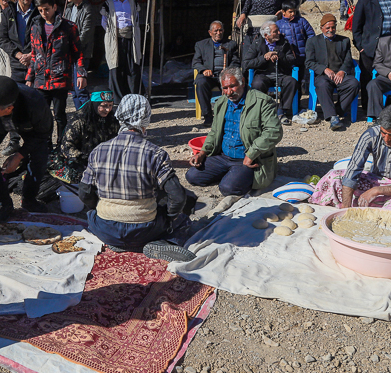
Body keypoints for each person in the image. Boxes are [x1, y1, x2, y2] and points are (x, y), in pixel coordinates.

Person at [79, 94, 196, 262]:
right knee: (183, 219)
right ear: (145, 118)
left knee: (92, 214)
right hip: (144, 231)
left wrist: (99, 207)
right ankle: (165, 241)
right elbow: (178, 196)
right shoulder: (156, 153)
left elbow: (84, 192)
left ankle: (118, 243)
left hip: (105, 229)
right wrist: (169, 219)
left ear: (120, 115)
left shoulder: (98, 151)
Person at [309, 103, 391, 217]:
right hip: (375, 180)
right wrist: (346, 209)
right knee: (334, 176)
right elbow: (353, 170)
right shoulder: (370, 135)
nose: (386, 139)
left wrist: (377, 191)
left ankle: (386, 215)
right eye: (383, 133)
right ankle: (360, 207)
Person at [0, 76, 53, 223]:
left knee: (40, 154)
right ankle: (5, 204)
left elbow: (43, 134)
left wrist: (19, 155)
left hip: (27, 125)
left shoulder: (35, 103)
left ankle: (29, 200)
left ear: (9, 109)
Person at [186, 67, 283, 196]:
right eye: (225, 88)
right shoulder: (222, 103)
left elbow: (274, 131)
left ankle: (235, 176)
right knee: (192, 176)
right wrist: (202, 153)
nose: (229, 92)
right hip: (224, 156)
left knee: (227, 188)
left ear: (242, 82)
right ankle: (232, 175)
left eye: (232, 86)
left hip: (246, 158)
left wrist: (251, 154)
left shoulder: (262, 102)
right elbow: (214, 132)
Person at [26, 0, 86, 147]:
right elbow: (34, 55)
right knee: (43, 116)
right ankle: (45, 146)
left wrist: (81, 74)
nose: (44, 13)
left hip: (60, 78)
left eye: (46, 9)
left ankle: (62, 145)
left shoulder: (68, 27)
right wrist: (29, 78)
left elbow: (78, 53)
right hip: (40, 80)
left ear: (54, 7)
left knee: (59, 114)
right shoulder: (35, 27)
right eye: (40, 10)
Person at [351, 0, 391, 110]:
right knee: (367, 76)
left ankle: (387, 106)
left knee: (388, 74)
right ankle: (368, 107)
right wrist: (360, 46)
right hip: (370, 46)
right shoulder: (364, 0)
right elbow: (356, 27)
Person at [47, 86, 119, 184]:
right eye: (104, 105)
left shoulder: (111, 120)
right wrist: (87, 159)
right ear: (95, 104)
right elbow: (67, 147)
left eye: (110, 105)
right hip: (79, 161)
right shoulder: (79, 120)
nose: (108, 109)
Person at [305, 13, 361, 130]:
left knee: (354, 83)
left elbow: (348, 60)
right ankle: (333, 117)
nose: (331, 30)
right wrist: (324, 69)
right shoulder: (313, 41)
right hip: (323, 75)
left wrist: (342, 71)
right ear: (321, 28)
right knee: (322, 84)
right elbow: (309, 62)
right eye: (328, 28)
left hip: (340, 75)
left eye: (333, 27)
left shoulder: (344, 41)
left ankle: (337, 110)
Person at [242, 20, 298, 125]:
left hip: (281, 74)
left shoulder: (284, 42)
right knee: (257, 84)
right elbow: (247, 63)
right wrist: (263, 58)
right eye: (275, 31)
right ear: (266, 35)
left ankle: (281, 111)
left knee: (291, 82)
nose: (279, 33)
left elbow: (292, 60)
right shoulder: (257, 43)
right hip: (263, 74)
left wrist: (279, 55)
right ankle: (262, 111)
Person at [192, 20, 240, 126]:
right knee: (201, 83)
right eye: (216, 31)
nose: (218, 33)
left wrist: (228, 70)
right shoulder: (201, 45)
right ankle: (208, 116)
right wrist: (204, 70)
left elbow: (236, 61)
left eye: (220, 30)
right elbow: (196, 62)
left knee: (234, 84)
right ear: (210, 33)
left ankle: (231, 114)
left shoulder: (231, 44)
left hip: (225, 76)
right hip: (209, 76)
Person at [101, 0, 142, 103]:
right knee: (116, 66)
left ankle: (133, 96)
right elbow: (104, 22)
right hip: (115, 39)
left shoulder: (132, 2)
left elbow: (136, 19)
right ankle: (117, 97)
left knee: (132, 66)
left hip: (130, 38)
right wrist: (113, 34)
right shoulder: (109, 3)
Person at [0, 0, 39, 84]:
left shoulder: (39, 12)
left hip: (37, 66)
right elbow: (2, 39)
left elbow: (47, 37)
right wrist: (18, 54)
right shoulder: (8, 13)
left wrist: (31, 55)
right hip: (16, 67)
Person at [63, 0, 95, 108]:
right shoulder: (68, 9)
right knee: (73, 91)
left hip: (81, 54)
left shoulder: (88, 9)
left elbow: (86, 34)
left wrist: (72, 48)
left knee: (80, 89)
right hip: (69, 54)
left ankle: (86, 115)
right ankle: (79, 115)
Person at [276, 0, 315, 73]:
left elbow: (311, 35)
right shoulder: (278, 24)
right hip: (287, 58)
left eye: (294, 11)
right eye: (290, 12)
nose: (293, 14)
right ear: (283, 12)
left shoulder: (302, 21)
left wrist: (308, 48)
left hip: (303, 55)